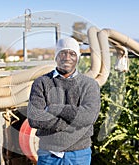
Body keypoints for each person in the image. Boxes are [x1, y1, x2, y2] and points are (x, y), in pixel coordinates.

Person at [27, 37, 101, 165]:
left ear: (77, 57)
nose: (67, 57)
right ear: (56, 57)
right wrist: (72, 124)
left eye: (72, 53)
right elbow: (35, 118)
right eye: (62, 53)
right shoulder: (42, 83)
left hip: (79, 154)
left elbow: (89, 117)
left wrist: (55, 109)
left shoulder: (89, 84)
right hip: (48, 155)